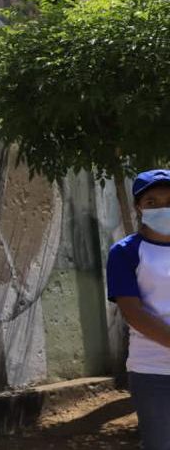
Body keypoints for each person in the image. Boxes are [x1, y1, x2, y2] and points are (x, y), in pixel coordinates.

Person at [106, 169, 170, 450]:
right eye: (152, 202)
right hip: (153, 369)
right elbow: (133, 313)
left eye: (169, 201)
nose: (162, 208)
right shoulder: (125, 252)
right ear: (138, 207)